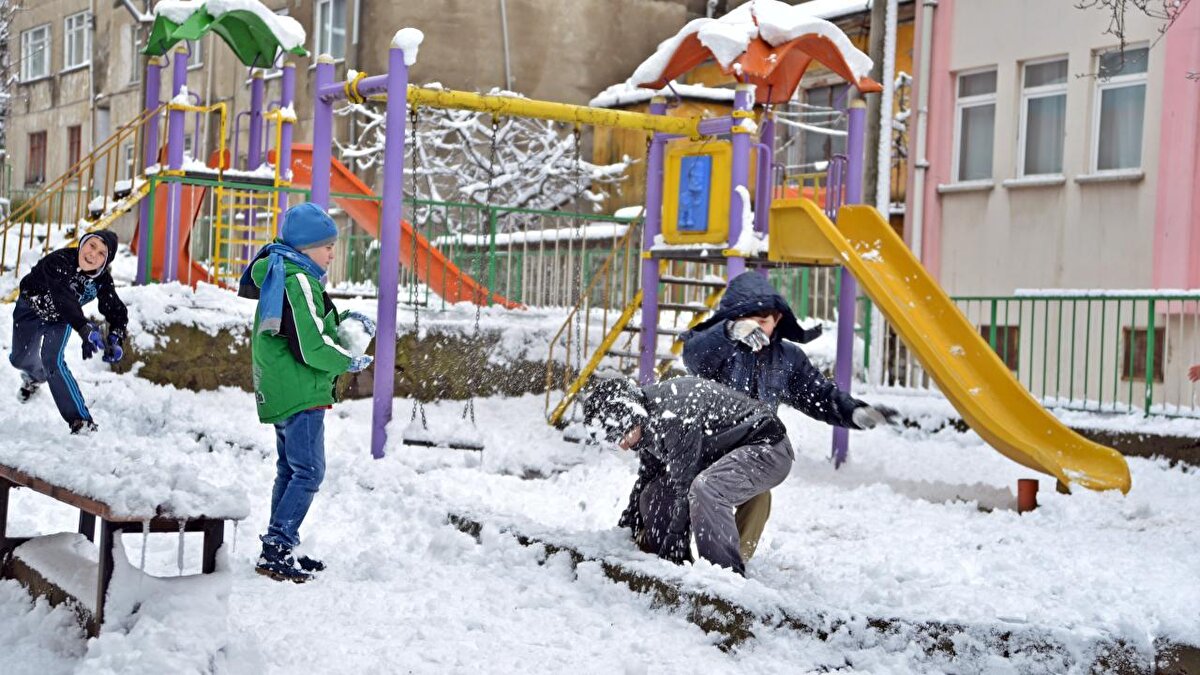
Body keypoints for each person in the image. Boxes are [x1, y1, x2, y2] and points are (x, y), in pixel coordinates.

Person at [680, 271, 895, 560]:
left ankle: (732, 563)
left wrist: (853, 412)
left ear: (777, 320)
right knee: (691, 490)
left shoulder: (787, 358)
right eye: (747, 321)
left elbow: (819, 395)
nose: (755, 328)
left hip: (752, 451)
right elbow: (694, 356)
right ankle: (668, 552)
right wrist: (730, 331)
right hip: (707, 444)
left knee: (758, 496)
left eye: (763, 322)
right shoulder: (719, 349)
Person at [238, 202, 375, 583]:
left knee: (291, 468)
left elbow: (304, 327)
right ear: (306, 246)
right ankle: (277, 547)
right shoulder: (297, 277)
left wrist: (344, 323)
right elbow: (312, 345)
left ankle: (281, 544)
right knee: (309, 471)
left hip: (285, 385)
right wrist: (347, 360)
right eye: (327, 246)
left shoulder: (285, 271)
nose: (332, 253)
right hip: (300, 388)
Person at [10, 231, 127, 434]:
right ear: (82, 243)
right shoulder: (59, 260)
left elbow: (114, 307)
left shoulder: (102, 280)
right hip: (30, 310)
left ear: (105, 261)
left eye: (102, 253)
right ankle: (35, 377)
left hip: (61, 319)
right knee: (19, 359)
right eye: (92, 245)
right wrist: (83, 327)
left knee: (53, 361)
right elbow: (62, 297)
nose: (93, 254)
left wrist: (116, 335)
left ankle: (81, 421)